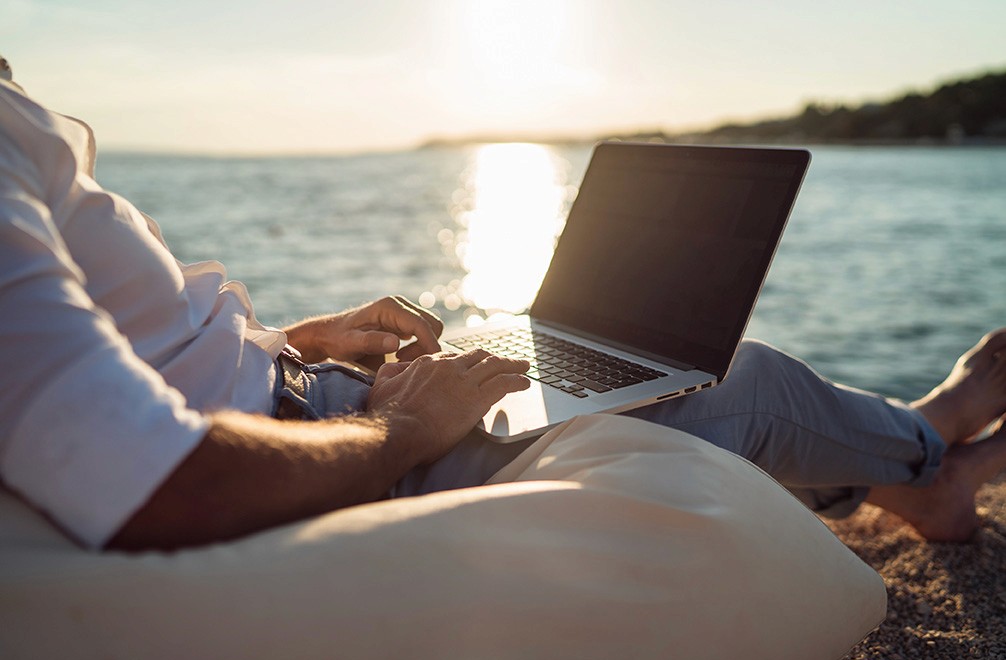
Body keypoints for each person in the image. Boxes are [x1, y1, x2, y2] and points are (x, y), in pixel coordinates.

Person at [1, 65, 1005, 554]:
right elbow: (148, 483)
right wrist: (395, 433)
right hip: (317, 438)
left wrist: (293, 341)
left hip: (307, 392)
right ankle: (924, 457)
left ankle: (906, 461)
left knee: (635, 363)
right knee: (738, 383)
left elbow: (116, 349)